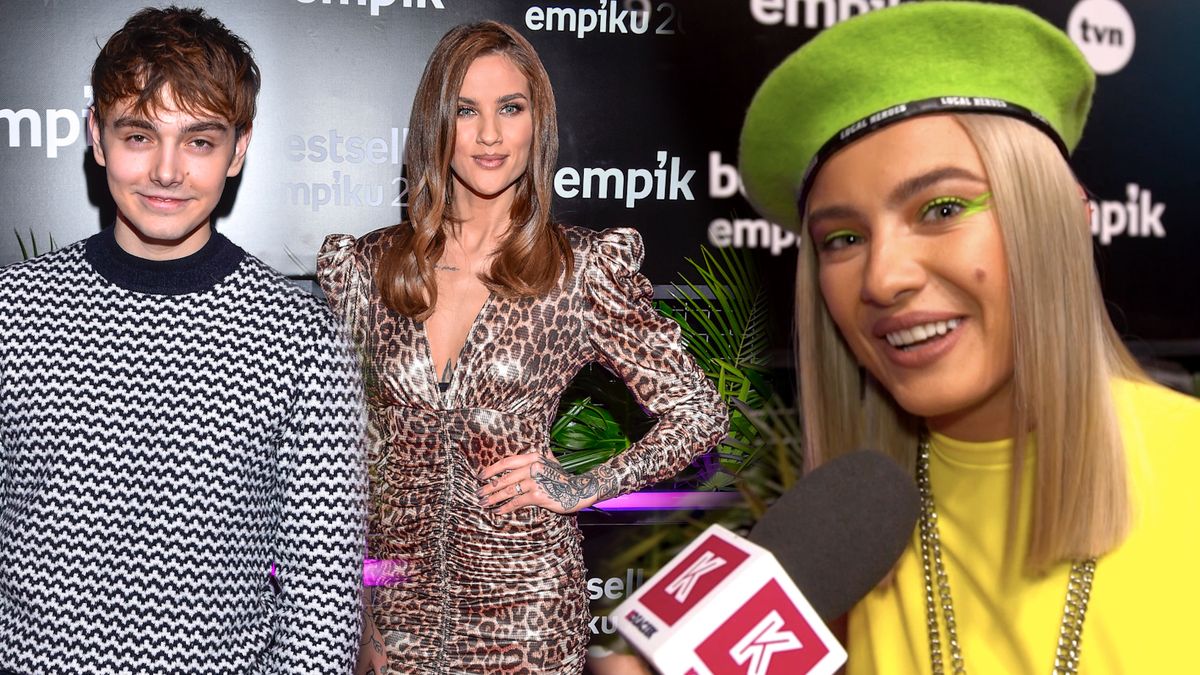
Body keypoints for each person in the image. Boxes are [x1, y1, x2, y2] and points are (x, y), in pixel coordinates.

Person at [739, 2, 1200, 674]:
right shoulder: (826, 564)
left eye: (943, 208)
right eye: (842, 239)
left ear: (1063, 216)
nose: (883, 278)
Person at [317, 20, 727, 674]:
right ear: (434, 124)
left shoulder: (579, 270)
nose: (489, 135)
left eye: (510, 108)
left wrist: (584, 484)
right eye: (465, 111)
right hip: (398, 609)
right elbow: (347, 458)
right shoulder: (370, 268)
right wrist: (357, 608)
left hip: (528, 610)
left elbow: (699, 414)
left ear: (537, 124)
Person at [0, 7, 366, 673]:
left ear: (239, 150)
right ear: (97, 136)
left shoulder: (300, 336)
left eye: (199, 141)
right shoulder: (14, 310)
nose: (167, 172)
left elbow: (323, 598)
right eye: (140, 135)